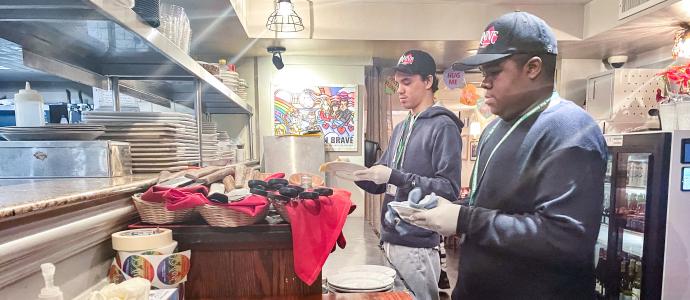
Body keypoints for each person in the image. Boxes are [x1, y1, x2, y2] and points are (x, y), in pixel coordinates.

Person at [408, 11, 608, 300]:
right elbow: (492, 203)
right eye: (483, 74)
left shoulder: (571, 131)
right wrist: (444, 206)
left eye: (494, 71)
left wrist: (464, 219)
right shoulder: (496, 128)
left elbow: (564, 238)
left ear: (533, 67)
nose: (484, 83)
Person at [353, 49, 463, 300]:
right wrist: (356, 175)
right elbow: (382, 182)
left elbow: (448, 188)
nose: (400, 89)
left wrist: (394, 176)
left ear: (428, 82)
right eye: (398, 83)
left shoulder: (443, 126)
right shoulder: (401, 127)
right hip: (390, 238)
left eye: (407, 82)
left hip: (418, 244)